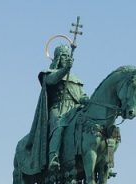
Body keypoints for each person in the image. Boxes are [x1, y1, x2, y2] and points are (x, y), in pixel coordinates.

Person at [24, 44, 89, 173]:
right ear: (58, 57)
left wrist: (87, 99)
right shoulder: (48, 73)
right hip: (58, 108)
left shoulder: (75, 78)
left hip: (74, 109)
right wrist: (65, 70)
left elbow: (80, 95)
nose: (66, 58)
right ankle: (53, 157)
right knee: (59, 125)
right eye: (64, 55)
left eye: (68, 56)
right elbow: (52, 81)